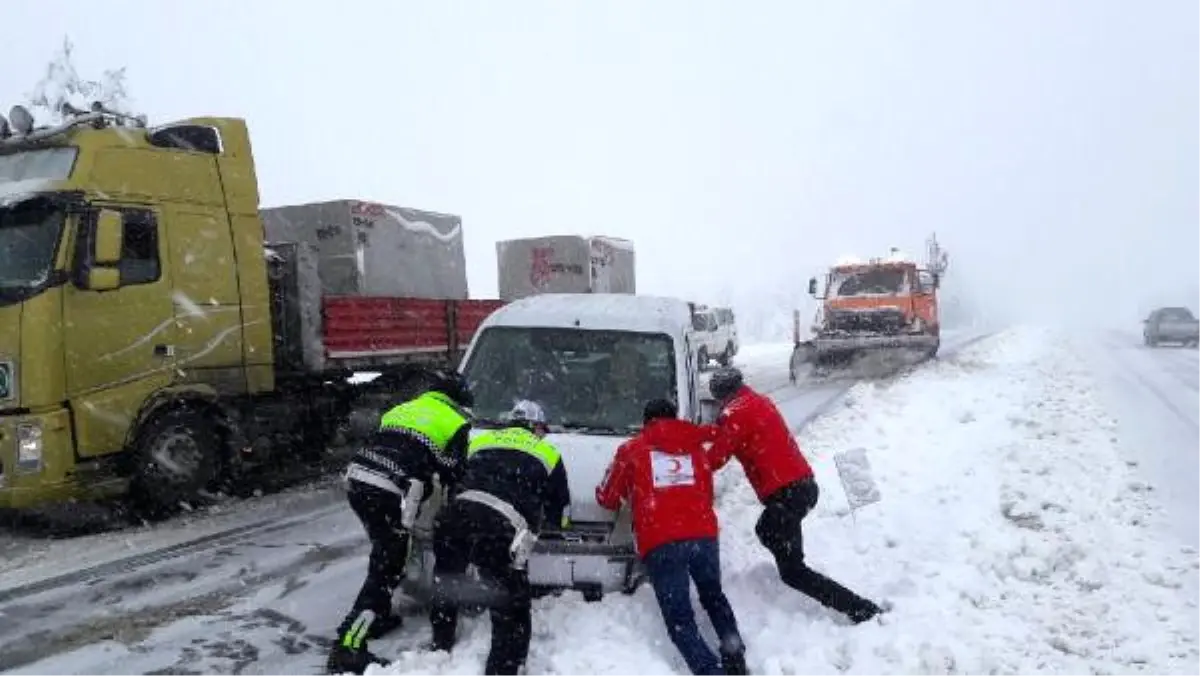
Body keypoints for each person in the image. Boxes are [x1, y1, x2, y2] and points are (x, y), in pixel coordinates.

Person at [705, 366, 884, 624]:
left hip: (786, 494)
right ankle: (852, 604)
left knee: (780, 551)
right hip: (801, 488)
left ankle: (861, 610)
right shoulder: (758, 401)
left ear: (721, 394)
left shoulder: (735, 413)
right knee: (780, 547)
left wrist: (686, 466)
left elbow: (717, 456)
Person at [326, 370, 475, 675]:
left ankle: (377, 616)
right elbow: (452, 473)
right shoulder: (457, 423)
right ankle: (349, 646)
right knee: (388, 567)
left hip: (356, 480)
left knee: (384, 551)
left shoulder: (403, 408)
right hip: (386, 489)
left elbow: (391, 444)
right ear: (460, 401)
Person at [596, 399, 748, 676]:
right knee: (713, 596)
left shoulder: (632, 449)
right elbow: (705, 487)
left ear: (646, 422)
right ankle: (735, 655)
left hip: (662, 540)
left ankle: (710, 671)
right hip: (703, 536)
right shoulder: (695, 447)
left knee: (680, 618)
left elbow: (608, 498)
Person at [427, 400, 571, 676]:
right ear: (537, 427)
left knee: (446, 578)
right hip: (499, 525)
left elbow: (456, 477)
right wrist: (554, 525)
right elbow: (560, 509)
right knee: (511, 602)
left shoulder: (482, 441)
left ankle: (441, 642)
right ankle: (505, 668)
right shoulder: (547, 452)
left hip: (454, 516)